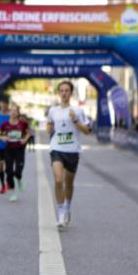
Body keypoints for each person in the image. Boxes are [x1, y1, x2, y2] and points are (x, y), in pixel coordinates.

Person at [47, 80, 91, 228]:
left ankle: (67, 207)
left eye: (67, 90)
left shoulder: (78, 111)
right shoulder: (53, 111)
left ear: (71, 93)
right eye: (62, 90)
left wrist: (75, 120)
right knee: (58, 180)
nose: (64, 93)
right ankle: (60, 213)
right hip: (57, 149)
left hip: (72, 151)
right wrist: (49, 127)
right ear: (59, 93)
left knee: (69, 183)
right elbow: (50, 123)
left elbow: (86, 131)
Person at [0, 103, 31, 202]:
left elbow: (28, 133)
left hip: (19, 150)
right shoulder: (5, 124)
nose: (13, 112)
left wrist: (25, 139)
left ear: (18, 113)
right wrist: (3, 137)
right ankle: (13, 193)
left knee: (18, 172)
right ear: (9, 112)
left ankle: (19, 180)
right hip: (9, 150)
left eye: (16, 110)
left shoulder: (22, 124)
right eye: (12, 110)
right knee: (9, 172)